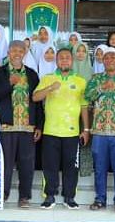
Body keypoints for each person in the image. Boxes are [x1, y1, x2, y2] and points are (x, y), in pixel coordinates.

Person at [0, 40, 43, 208]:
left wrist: (39, 126)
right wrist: (9, 83)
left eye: (21, 50)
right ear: (8, 52)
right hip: (7, 127)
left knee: (27, 164)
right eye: (14, 50)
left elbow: (37, 101)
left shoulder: (32, 74)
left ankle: (24, 197)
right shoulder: (0, 72)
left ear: (25, 52)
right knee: (5, 163)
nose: (17, 53)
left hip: (27, 127)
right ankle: (2, 194)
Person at [33, 48, 89, 210]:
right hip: (51, 130)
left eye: (67, 58)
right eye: (61, 58)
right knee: (50, 165)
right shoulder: (47, 78)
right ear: (56, 61)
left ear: (72, 61)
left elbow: (84, 106)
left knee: (71, 166)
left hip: (72, 132)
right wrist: (50, 88)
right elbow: (35, 97)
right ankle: (49, 196)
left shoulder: (80, 81)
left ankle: (69, 197)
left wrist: (86, 129)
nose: (64, 60)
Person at [85, 47, 115, 213]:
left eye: (113, 57)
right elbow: (87, 97)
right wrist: (101, 88)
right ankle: (100, 199)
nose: (110, 60)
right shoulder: (96, 79)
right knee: (99, 168)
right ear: (102, 61)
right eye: (107, 58)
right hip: (99, 131)